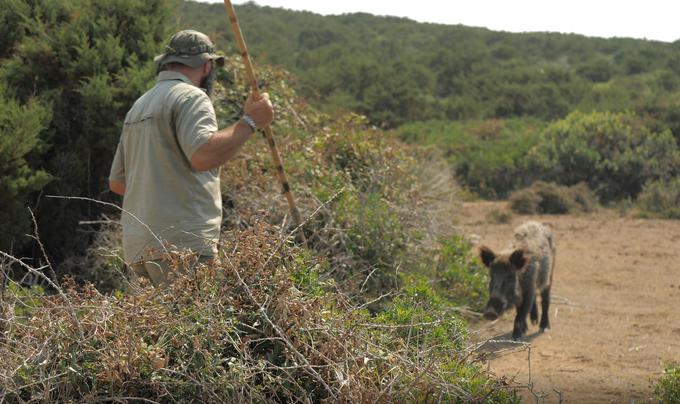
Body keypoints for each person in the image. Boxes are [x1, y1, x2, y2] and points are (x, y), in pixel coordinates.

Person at [108, 30, 274, 287]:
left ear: (166, 61)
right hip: (183, 246)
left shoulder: (139, 106)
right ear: (207, 66)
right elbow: (202, 156)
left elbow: (118, 183)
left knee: (162, 327)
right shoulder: (192, 97)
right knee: (194, 325)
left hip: (139, 246)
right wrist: (251, 122)